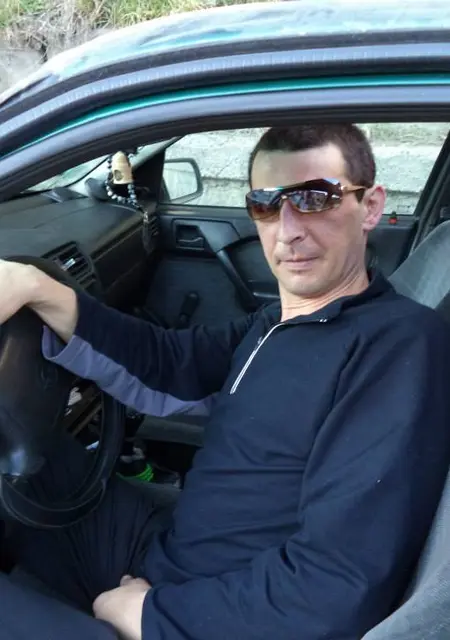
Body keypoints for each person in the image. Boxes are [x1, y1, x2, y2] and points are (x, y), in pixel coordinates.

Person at [1, 123, 450, 640]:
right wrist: (39, 288)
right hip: (177, 552)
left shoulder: (396, 346)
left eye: (313, 199)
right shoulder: (279, 322)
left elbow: (332, 586)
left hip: (223, 610)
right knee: (36, 464)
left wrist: (149, 615)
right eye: (266, 203)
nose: (287, 230)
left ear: (370, 207)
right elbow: (169, 362)